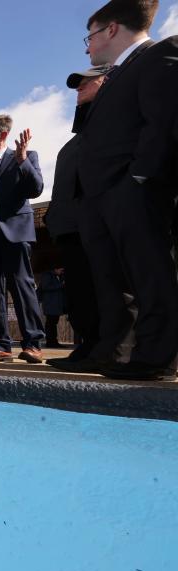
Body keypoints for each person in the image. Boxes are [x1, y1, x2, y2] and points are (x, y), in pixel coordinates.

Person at [77, 0, 178, 380]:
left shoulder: (160, 54)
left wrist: (139, 178)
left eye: (90, 36)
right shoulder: (118, 75)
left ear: (112, 29)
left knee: (152, 271)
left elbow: (163, 119)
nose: (88, 47)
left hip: (135, 189)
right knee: (131, 277)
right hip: (110, 195)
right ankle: (134, 352)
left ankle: (159, 356)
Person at [43, 64, 111, 369]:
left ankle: (109, 348)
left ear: (107, 82)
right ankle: (90, 347)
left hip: (101, 224)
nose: (78, 89)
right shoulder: (74, 142)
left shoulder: (114, 125)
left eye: (87, 83)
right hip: (71, 230)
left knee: (105, 290)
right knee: (81, 294)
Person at [0, 115, 47, 364]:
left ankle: (33, 343)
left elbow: (36, 188)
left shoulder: (26, 156)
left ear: (2, 135)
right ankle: (0, 344)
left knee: (21, 285)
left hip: (14, 230)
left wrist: (22, 160)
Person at [38, 267, 67, 348]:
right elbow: (45, 287)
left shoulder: (57, 276)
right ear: (55, 268)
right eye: (61, 270)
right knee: (51, 323)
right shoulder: (47, 275)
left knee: (53, 322)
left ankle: (53, 341)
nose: (62, 272)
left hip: (55, 304)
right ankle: (51, 342)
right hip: (50, 303)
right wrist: (61, 285)